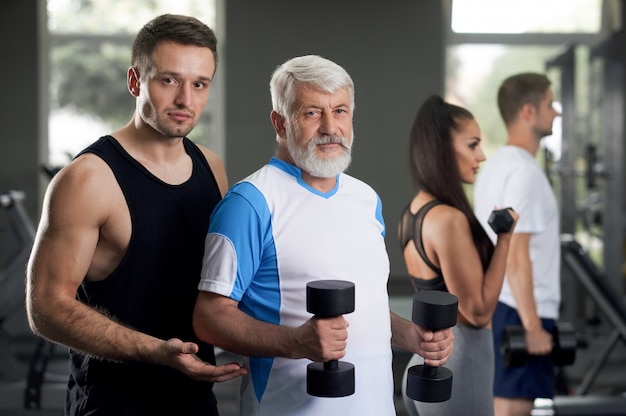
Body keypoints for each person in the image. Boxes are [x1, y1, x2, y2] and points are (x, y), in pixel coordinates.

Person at [192, 55, 454, 415]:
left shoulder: (365, 199)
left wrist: (411, 336)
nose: (331, 127)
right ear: (280, 124)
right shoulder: (250, 203)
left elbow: (366, 307)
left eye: (341, 111)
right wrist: (295, 342)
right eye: (312, 112)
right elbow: (208, 317)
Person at [25, 14, 247, 416]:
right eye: (168, 80)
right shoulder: (88, 178)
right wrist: (157, 351)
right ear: (134, 82)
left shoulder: (211, 167)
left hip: (196, 398)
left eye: (199, 84)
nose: (186, 100)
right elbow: (45, 306)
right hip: (113, 405)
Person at [398, 95, 518, 416]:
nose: (481, 155)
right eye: (472, 145)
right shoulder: (449, 219)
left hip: (427, 360)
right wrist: (505, 239)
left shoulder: (413, 212)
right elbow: (477, 313)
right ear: (442, 149)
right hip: (461, 360)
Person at [473, 73, 561, 416]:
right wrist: (533, 326)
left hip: (504, 306)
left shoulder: (495, 167)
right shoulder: (525, 173)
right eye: (549, 104)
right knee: (512, 408)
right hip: (521, 310)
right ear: (528, 111)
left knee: (502, 405)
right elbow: (517, 255)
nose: (556, 112)